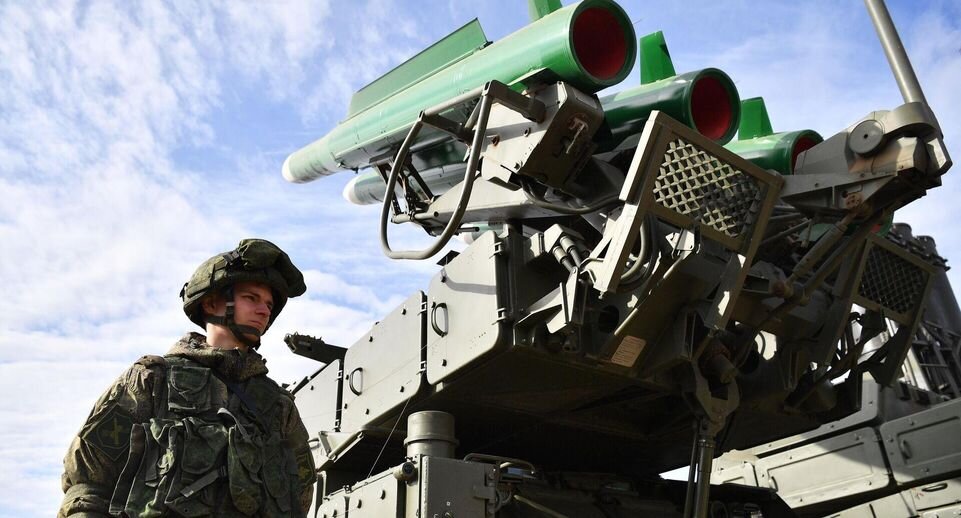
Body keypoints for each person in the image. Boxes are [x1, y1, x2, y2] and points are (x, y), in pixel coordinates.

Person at [59, 239, 317, 517]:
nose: (264, 310)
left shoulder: (278, 407)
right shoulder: (153, 380)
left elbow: (299, 497)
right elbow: (88, 479)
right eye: (251, 298)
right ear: (211, 303)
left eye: (268, 304)